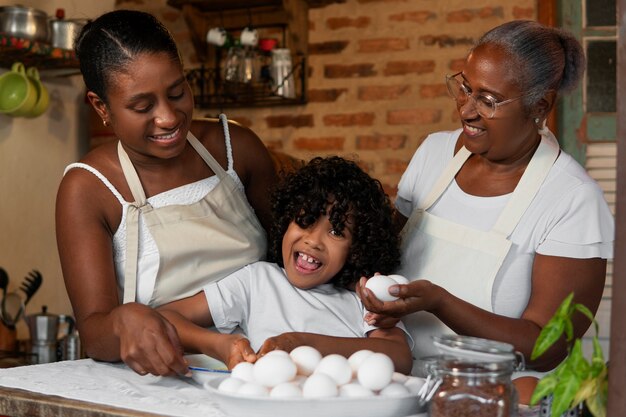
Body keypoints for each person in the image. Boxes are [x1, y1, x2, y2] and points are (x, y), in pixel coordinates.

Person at [356, 20, 614, 401]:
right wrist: (376, 296)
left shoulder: (571, 199)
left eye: (488, 100)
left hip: (500, 398)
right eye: (465, 88)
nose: (466, 110)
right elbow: (387, 256)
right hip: (406, 385)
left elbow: (546, 347)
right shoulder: (433, 155)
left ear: (539, 106)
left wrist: (441, 303)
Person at [55, 10, 277, 377]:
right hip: (166, 382)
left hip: (269, 367)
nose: (169, 117)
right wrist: (122, 322)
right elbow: (95, 334)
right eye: (142, 106)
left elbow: (293, 259)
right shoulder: (89, 187)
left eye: (177, 92)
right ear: (100, 107)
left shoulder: (236, 149)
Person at [158, 156, 413, 373]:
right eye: (305, 220)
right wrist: (217, 344)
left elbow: (399, 358)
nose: (313, 240)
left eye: (336, 232)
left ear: (358, 247)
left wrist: (299, 343)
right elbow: (163, 319)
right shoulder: (257, 282)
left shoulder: (363, 299)